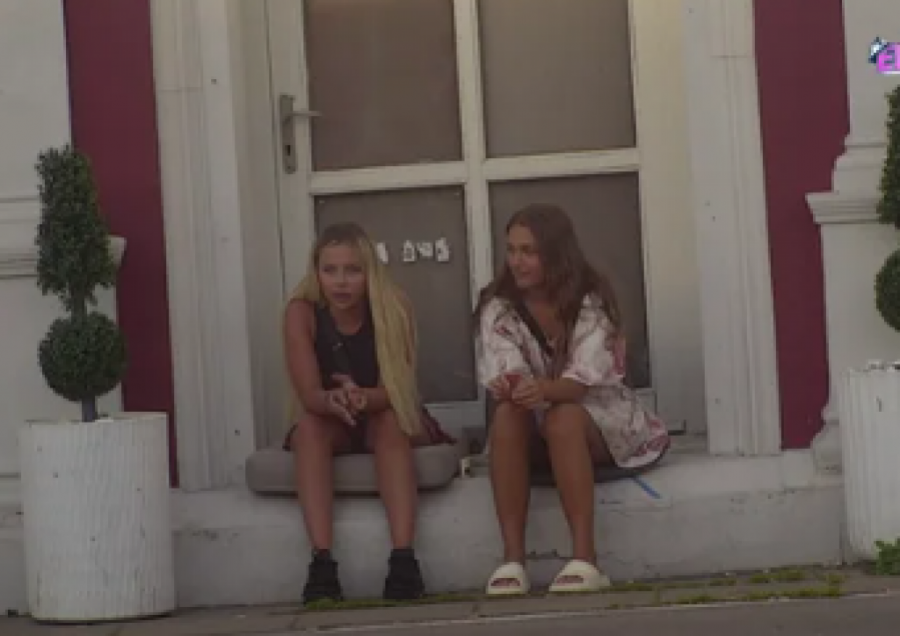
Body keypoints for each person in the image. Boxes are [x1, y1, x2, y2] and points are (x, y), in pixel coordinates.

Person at [474, 204, 670, 596]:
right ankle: (513, 560)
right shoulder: (498, 305)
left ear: (555, 252)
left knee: (563, 417)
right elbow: (505, 368)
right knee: (507, 415)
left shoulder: (590, 300)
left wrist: (540, 390)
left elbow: (581, 381)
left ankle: (586, 559)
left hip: (601, 420)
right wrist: (514, 386)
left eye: (528, 251)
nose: (516, 261)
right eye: (511, 250)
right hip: (534, 419)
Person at [283, 222, 450, 604]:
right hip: (331, 416)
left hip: (383, 409)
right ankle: (322, 564)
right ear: (316, 272)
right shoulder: (301, 312)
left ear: (370, 271)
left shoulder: (393, 306)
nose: (341, 282)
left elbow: (398, 390)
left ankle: (404, 560)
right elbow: (308, 394)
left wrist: (362, 398)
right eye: (330, 270)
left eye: (353, 270)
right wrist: (333, 400)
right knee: (309, 429)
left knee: (391, 425)